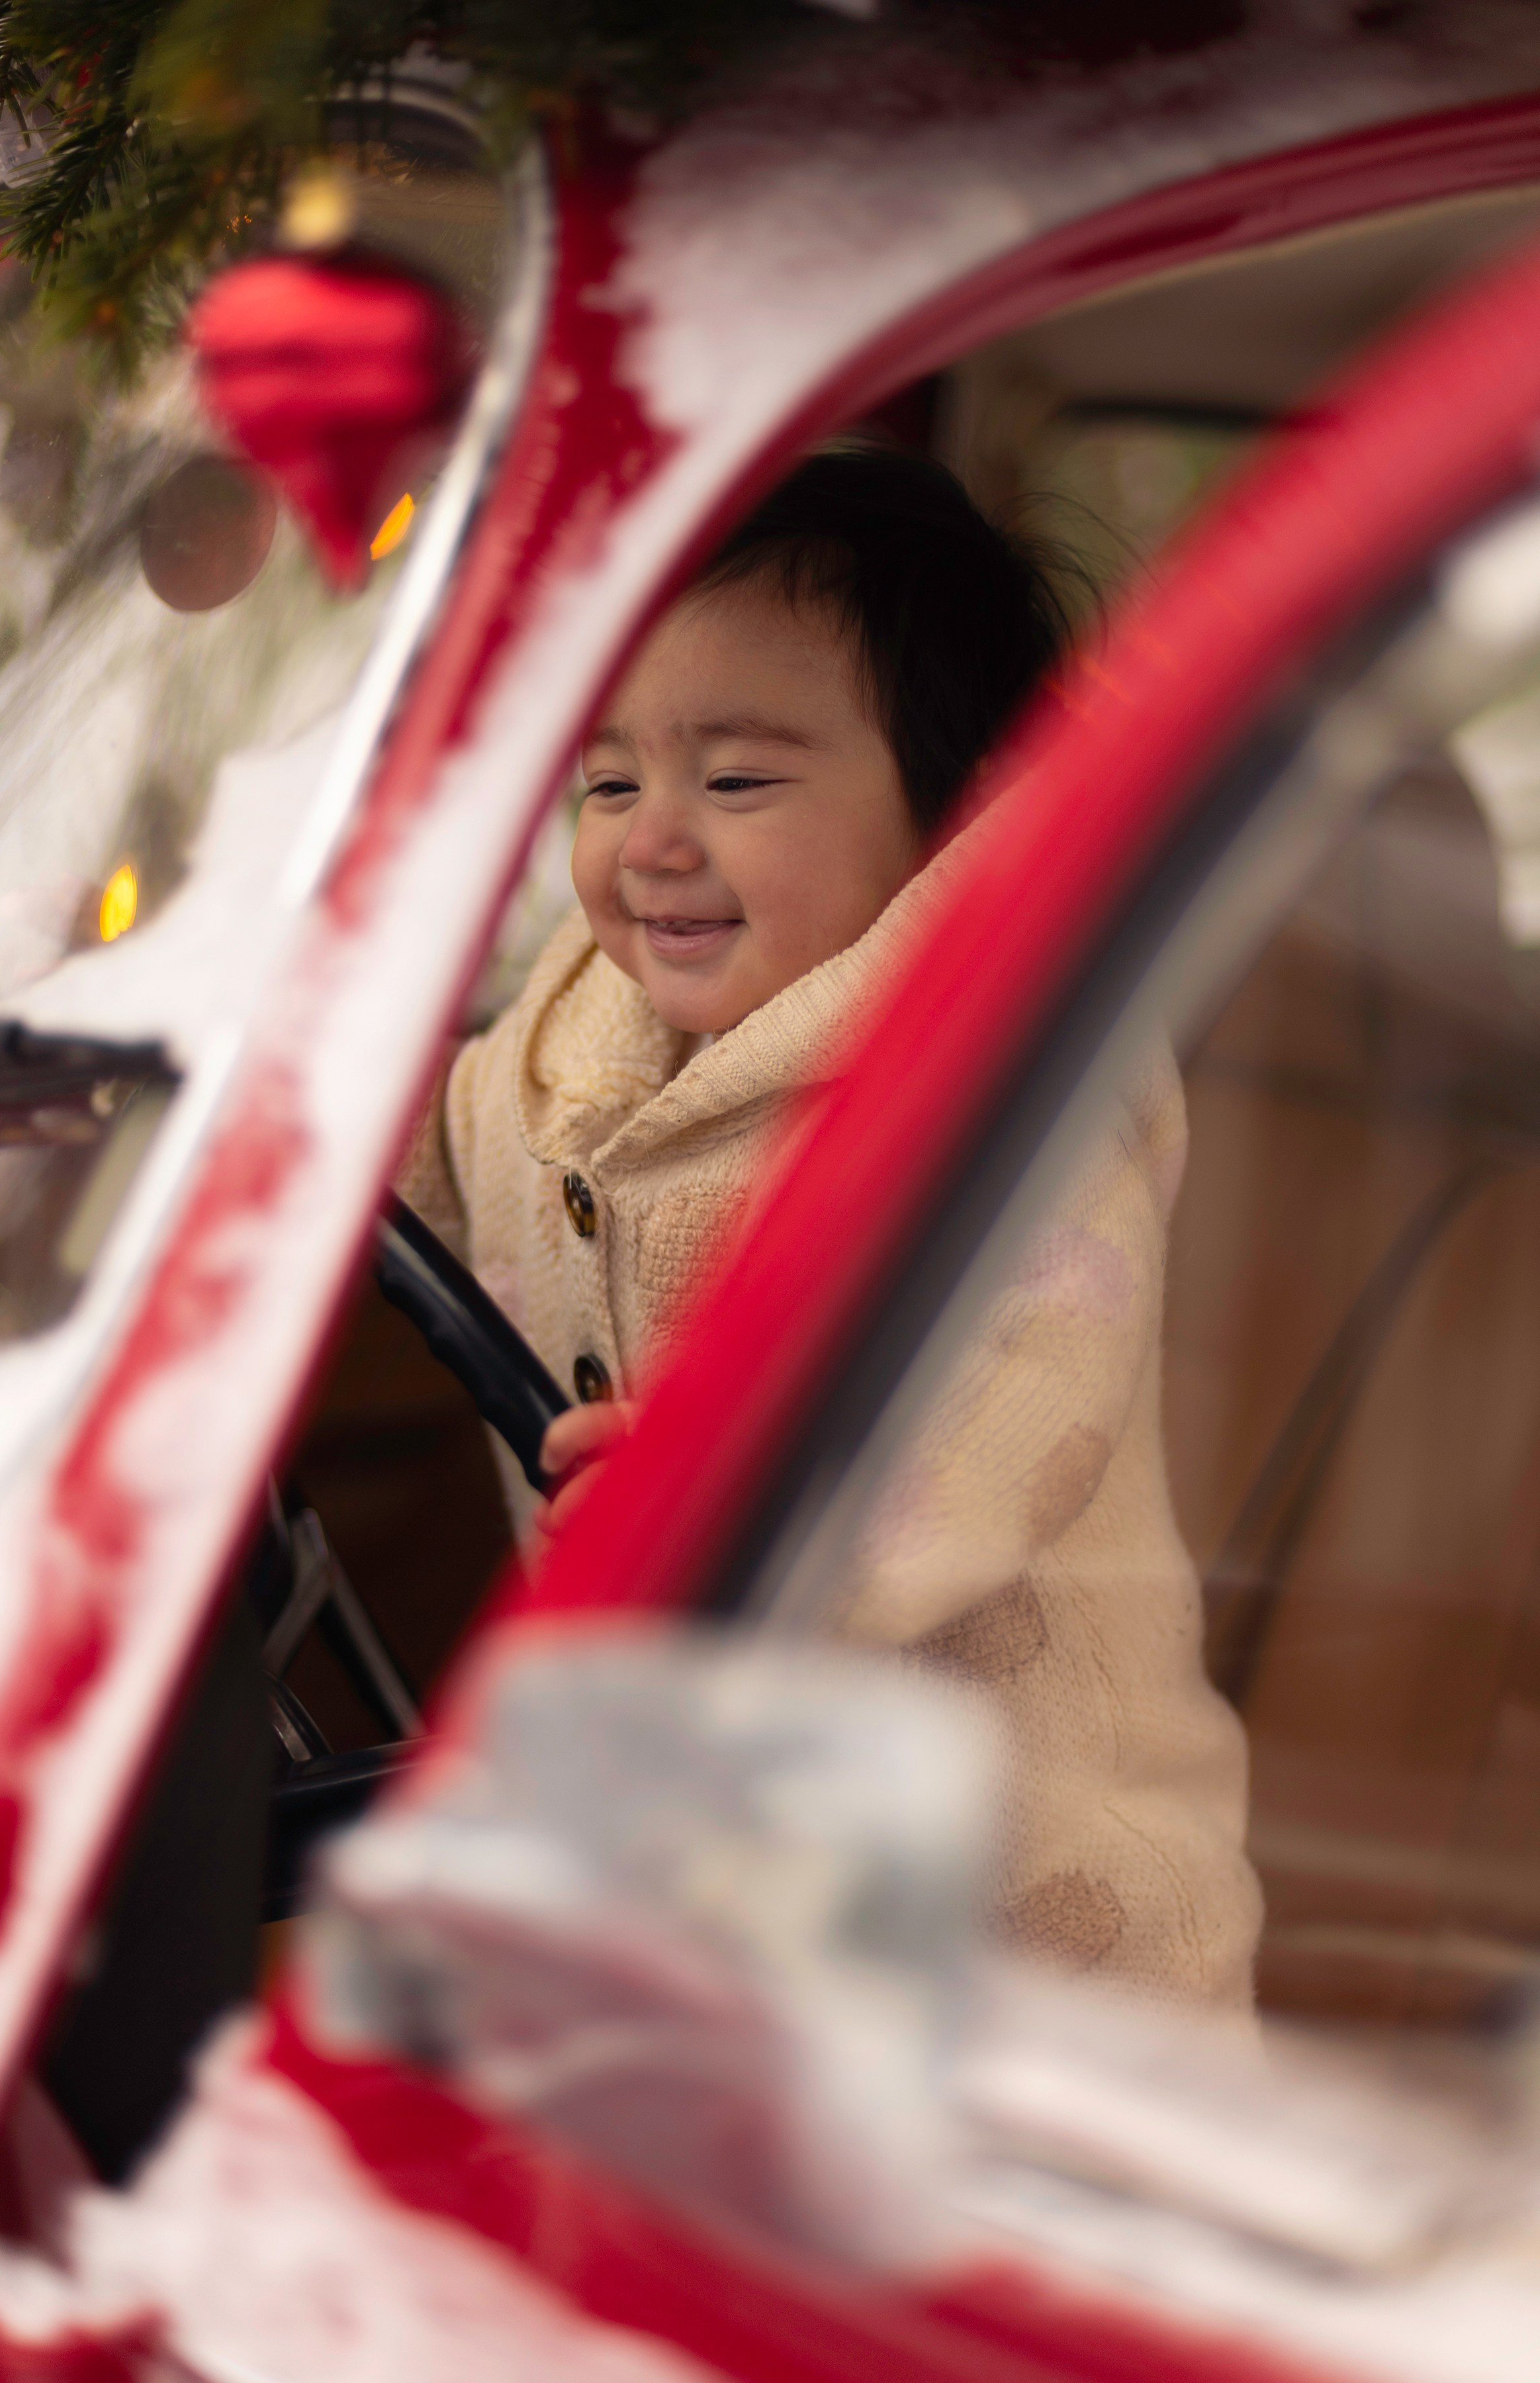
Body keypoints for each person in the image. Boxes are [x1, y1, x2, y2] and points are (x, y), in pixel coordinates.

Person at [402, 442, 1262, 2010]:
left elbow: (989, 1441)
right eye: (609, 779)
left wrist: (723, 1496)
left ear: (949, 821)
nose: (651, 838)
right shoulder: (570, 1037)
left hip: (1030, 1955)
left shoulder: (1019, 1099)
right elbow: (419, 1170)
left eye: (735, 780)